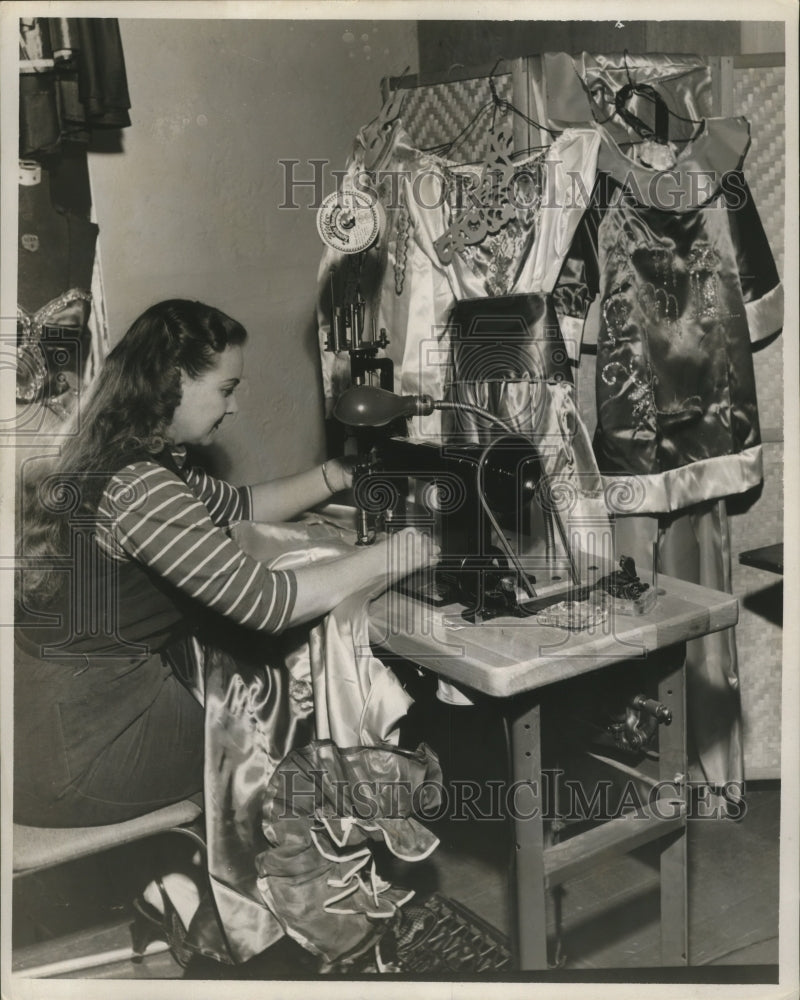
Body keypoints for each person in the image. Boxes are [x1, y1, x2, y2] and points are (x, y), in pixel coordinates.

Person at [14, 298, 437, 832]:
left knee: (260, 693)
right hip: (82, 750)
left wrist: (337, 474)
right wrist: (400, 552)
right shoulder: (142, 486)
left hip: (42, 725)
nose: (233, 408)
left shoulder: (115, 453)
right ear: (173, 382)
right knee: (301, 725)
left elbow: (239, 506)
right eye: (226, 390)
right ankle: (287, 902)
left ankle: (202, 891)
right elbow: (267, 604)